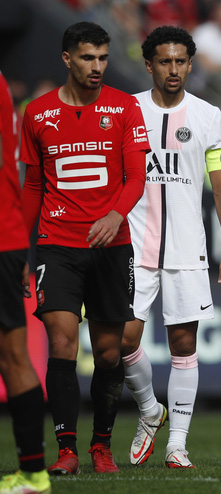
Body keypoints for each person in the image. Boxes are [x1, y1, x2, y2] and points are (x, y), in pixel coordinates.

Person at [20, 21, 149, 475]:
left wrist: (115, 215)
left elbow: (137, 177)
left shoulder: (125, 107)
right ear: (67, 58)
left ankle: (101, 446)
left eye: (103, 58)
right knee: (61, 341)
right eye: (88, 57)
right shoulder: (37, 114)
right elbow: (33, 184)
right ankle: (67, 450)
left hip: (113, 245)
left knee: (110, 353)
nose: (97, 66)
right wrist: (20, 250)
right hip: (57, 243)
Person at [121, 25, 221, 469]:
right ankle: (150, 410)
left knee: (183, 343)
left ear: (190, 65)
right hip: (134, 245)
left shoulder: (208, 116)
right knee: (121, 341)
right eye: (164, 61)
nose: (173, 69)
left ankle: (177, 444)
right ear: (149, 65)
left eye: (180, 61)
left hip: (188, 246)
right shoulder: (127, 110)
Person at [0, 72, 51, 494]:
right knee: (14, 358)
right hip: (8, 236)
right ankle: (34, 474)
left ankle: (34, 474)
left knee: (13, 359)